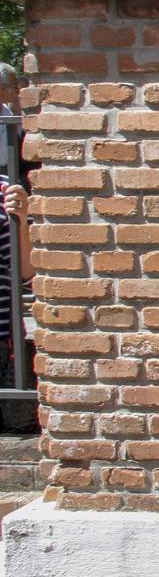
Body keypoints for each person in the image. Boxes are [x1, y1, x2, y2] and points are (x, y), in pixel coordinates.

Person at [0, 175, 34, 433]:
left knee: (17, 424)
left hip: (2, 337)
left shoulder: (4, 189)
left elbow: (25, 271)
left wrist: (21, 223)